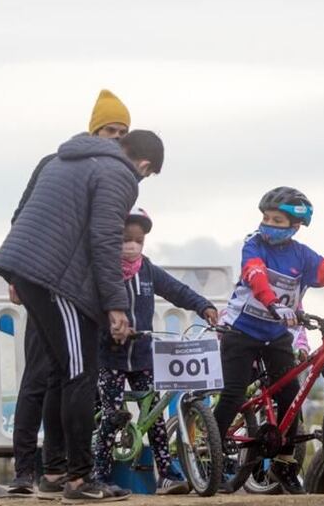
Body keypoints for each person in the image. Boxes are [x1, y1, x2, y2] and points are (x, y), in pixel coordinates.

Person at [0, 129, 164, 503]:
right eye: (146, 175)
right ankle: (79, 480)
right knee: (81, 374)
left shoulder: (63, 160)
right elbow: (104, 238)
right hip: (59, 281)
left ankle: (53, 474)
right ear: (144, 164)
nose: (141, 180)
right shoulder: (119, 174)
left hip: (29, 271)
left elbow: (26, 215)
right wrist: (116, 305)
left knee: (59, 372)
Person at [213, 187, 324, 494]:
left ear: (295, 226)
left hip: (276, 335)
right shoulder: (253, 246)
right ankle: (212, 455)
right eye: (265, 217)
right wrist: (273, 304)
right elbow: (255, 276)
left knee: (291, 395)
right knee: (233, 393)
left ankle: (284, 462)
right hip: (241, 332)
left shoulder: (302, 256)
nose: (267, 224)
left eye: (276, 219)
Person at [6, 89, 133, 498]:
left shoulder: (96, 169)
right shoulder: (55, 163)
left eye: (121, 131)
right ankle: (38, 471)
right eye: (110, 129)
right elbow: (25, 217)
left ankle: (55, 471)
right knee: (49, 376)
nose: (115, 137)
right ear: (94, 128)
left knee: (64, 373)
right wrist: (16, 277)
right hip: (50, 281)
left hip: (62, 283)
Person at [92, 207, 219, 494]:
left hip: (143, 355)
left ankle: (167, 474)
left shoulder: (148, 270)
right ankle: (99, 475)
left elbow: (176, 289)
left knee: (155, 419)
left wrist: (203, 305)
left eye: (138, 241)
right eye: (126, 239)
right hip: (109, 356)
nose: (132, 245)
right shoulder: (103, 270)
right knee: (112, 417)